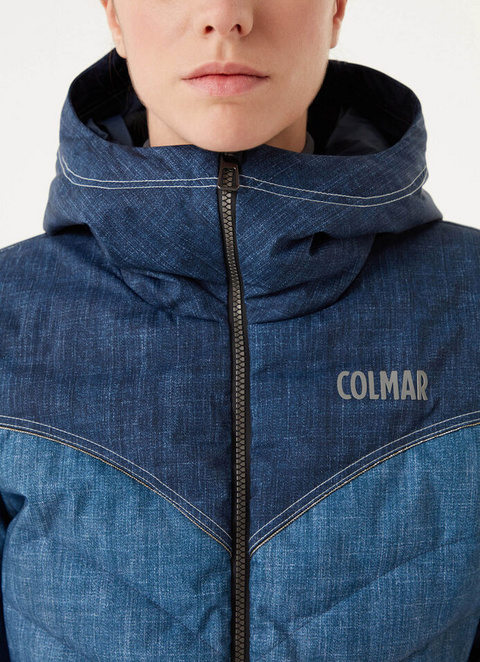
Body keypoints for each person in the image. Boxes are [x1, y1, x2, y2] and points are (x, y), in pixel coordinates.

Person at [0, 0, 479, 660]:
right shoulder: (12, 312)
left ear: (336, 10)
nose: (226, 16)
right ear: (113, 14)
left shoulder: (467, 302)